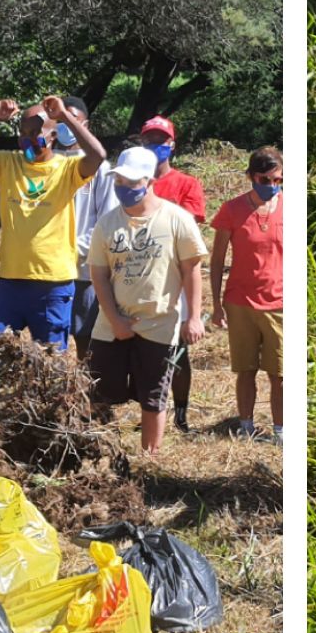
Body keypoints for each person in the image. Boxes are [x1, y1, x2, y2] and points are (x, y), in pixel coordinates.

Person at [0, 90, 106, 349]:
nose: (27, 140)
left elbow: (98, 156)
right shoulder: (6, 163)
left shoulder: (67, 168)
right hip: (11, 281)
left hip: (53, 284)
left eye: (34, 133)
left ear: (52, 135)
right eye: (23, 133)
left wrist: (65, 118)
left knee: (51, 364)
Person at [84, 146, 205, 460]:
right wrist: (115, 320)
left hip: (159, 325)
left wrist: (193, 317)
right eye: (119, 182)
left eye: (131, 182)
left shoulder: (176, 219)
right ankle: (102, 453)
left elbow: (192, 268)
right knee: (99, 391)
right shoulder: (107, 224)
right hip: (111, 325)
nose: (124, 188)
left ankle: (149, 459)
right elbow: (98, 274)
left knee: (153, 396)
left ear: (149, 181)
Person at [209, 146, 283, 440]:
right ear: (251, 177)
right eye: (265, 180)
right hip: (240, 302)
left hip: (280, 301)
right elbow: (216, 260)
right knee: (246, 370)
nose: (272, 186)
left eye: (278, 180)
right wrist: (215, 305)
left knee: (280, 373)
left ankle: (280, 430)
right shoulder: (232, 210)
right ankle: (246, 426)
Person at [140, 115, 209, 428]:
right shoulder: (132, 182)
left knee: (179, 352)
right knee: (146, 352)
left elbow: (188, 226)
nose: (156, 146)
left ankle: (180, 414)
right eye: (150, 140)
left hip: (176, 279)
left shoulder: (186, 184)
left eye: (161, 141)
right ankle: (151, 412)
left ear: (172, 144)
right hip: (140, 276)